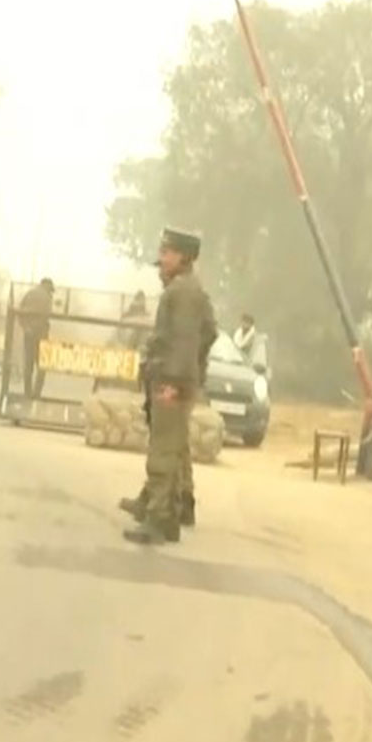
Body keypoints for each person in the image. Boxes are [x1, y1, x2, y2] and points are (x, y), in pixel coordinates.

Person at [119, 228, 217, 544]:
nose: (161, 260)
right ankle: (168, 511)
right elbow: (208, 332)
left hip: (171, 381)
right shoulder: (187, 289)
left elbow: (185, 341)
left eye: (166, 253)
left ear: (182, 256)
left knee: (163, 450)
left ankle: (159, 518)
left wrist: (174, 380)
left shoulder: (182, 293)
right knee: (173, 445)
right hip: (175, 377)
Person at [16, 277, 55, 399]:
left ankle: (27, 392)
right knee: (42, 366)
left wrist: (25, 327)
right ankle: (36, 393)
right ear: (48, 287)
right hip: (41, 334)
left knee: (28, 364)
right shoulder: (47, 297)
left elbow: (19, 312)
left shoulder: (29, 294)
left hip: (29, 333)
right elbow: (48, 314)